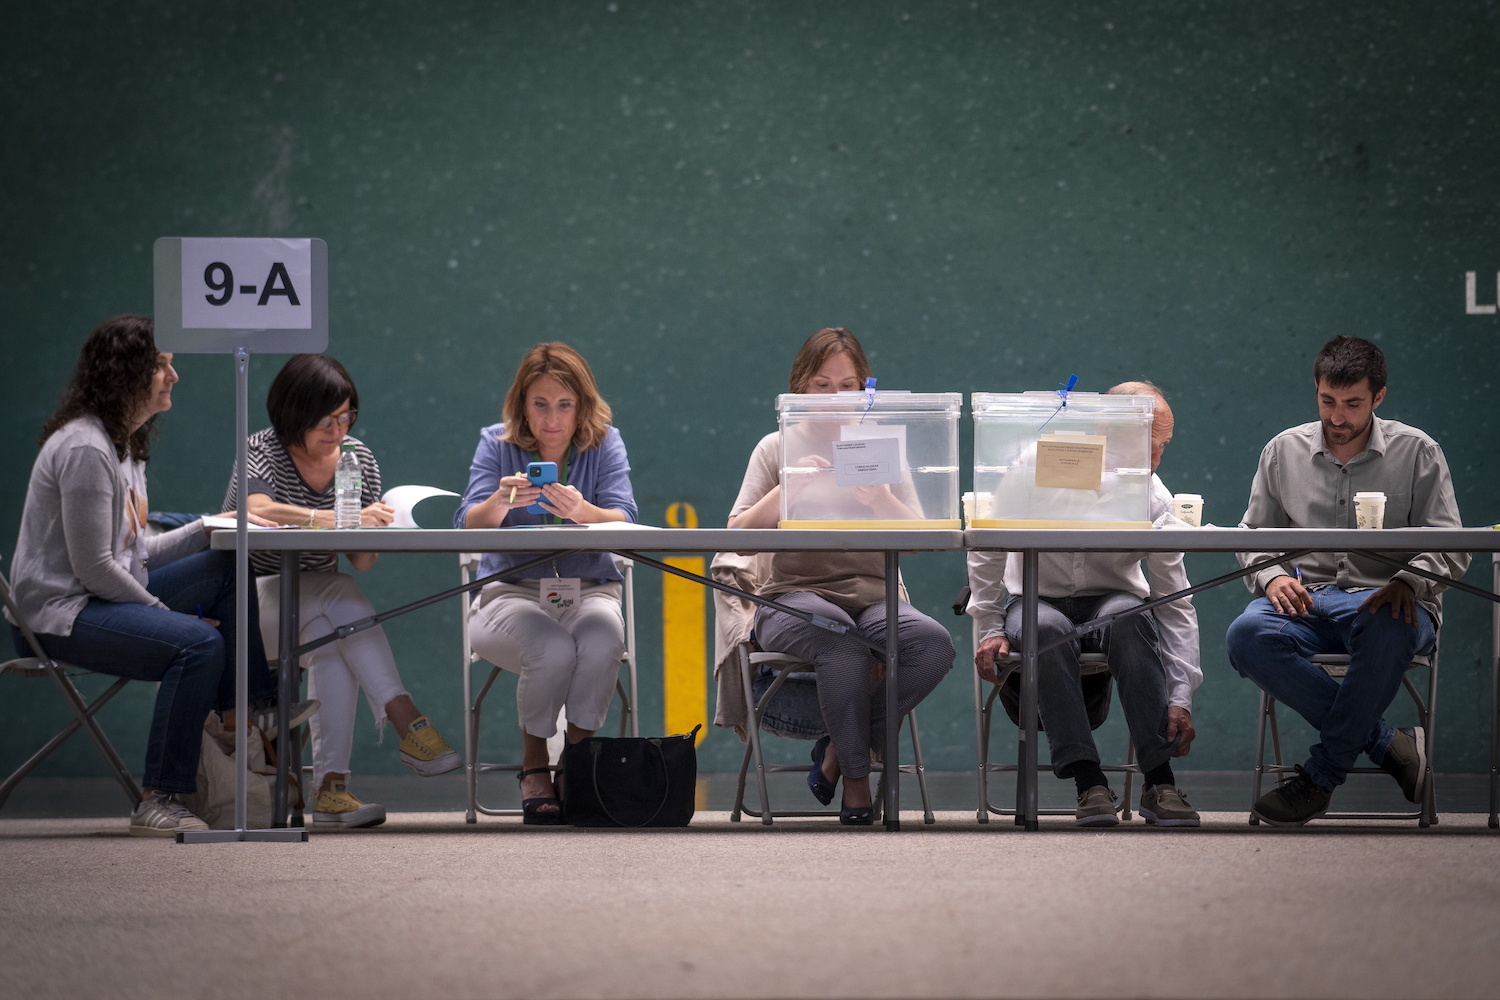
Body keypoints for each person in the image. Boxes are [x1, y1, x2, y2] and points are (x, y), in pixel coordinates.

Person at [5, 315, 303, 836]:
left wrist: (214, 527)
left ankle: (249, 712)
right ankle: (157, 798)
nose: (174, 375)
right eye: (163, 364)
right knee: (197, 646)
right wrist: (166, 616)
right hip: (60, 614)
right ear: (128, 372)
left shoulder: (123, 445)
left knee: (227, 561)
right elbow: (95, 569)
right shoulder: (85, 448)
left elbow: (134, 555)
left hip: (97, 599)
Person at [1228, 336, 1468, 826]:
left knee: (1389, 624)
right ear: (1316, 390)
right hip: (1307, 600)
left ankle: (1320, 778)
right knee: (1247, 635)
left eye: (1353, 404)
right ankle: (1387, 744)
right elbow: (1251, 534)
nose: (1338, 417)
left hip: (1391, 600)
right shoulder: (1282, 451)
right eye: (1327, 401)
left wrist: (1408, 581)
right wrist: (1272, 577)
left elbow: (1452, 543)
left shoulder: (1418, 450)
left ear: (1378, 398)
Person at [727, 327, 955, 826]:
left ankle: (837, 749)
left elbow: (919, 535)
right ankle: (855, 780)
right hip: (792, 597)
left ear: (865, 390)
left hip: (874, 595)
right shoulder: (775, 447)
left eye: (848, 385)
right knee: (840, 637)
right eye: (822, 385)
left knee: (933, 644)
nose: (835, 397)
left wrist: (882, 500)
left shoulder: (879, 446)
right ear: (800, 389)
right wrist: (787, 491)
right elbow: (739, 534)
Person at [222, 354, 461, 830]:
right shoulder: (261, 450)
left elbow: (363, 561)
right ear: (294, 413)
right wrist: (331, 518)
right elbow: (258, 509)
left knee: (336, 636)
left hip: (315, 610)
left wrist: (379, 525)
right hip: (245, 608)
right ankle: (405, 717)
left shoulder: (357, 457)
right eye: (325, 419)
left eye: (345, 415)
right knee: (339, 594)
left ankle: (332, 790)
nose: (337, 429)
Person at [966, 381, 1202, 827]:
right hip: (1034, 598)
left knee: (1128, 617)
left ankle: (1160, 781)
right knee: (1046, 628)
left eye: (1164, 448)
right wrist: (991, 626)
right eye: (1150, 446)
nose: (1156, 462)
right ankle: (1088, 782)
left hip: (1112, 601)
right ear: (1110, 429)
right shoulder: (1035, 466)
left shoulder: (1153, 496)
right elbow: (986, 546)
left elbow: (1173, 601)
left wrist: (1182, 693)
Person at [456, 342, 638, 824]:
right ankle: (533, 761)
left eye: (564, 405)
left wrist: (584, 513)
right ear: (522, 404)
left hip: (590, 588)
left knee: (603, 640)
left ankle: (576, 760)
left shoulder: (606, 442)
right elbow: (467, 523)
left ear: (582, 406)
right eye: (540, 404)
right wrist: (499, 501)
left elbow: (625, 516)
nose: (551, 418)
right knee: (553, 648)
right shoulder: (496, 442)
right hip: (508, 594)